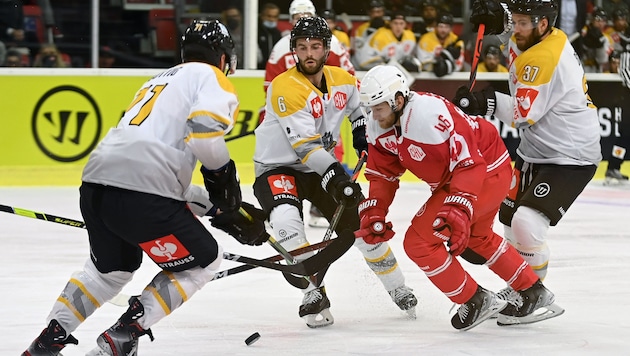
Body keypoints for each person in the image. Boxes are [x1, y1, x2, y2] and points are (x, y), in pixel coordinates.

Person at [22, 19, 270, 356]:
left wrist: (221, 208)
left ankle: (48, 341)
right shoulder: (213, 77)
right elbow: (205, 137)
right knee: (205, 261)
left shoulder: (157, 81)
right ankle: (124, 335)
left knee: (108, 272)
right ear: (224, 58)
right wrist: (225, 188)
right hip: (143, 193)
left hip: (96, 184)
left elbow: (164, 179)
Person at [356, 64, 563, 330]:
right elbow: (383, 173)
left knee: (419, 243)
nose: (373, 116)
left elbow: (470, 163)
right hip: (470, 174)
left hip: (483, 171)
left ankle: (474, 300)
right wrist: (376, 210)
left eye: (378, 108)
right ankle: (533, 291)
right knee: (479, 237)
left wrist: (460, 204)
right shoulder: (380, 123)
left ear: (398, 100)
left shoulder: (428, 115)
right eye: (370, 109)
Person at [253, 17, 417, 328]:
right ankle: (313, 294)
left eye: (315, 47)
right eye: (302, 48)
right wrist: (337, 176)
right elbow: (305, 148)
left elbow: (359, 106)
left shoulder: (342, 78)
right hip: (277, 169)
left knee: (365, 226)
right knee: (288, 223)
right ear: (294, 51)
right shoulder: (284, 86)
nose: (308, 54)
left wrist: (359, 132)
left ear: (327, 49)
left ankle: (398, 287)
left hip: (318, 169)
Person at [453, 0, 601, 307]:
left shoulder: (544, 58)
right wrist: (499, 15)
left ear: (542, 25)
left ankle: (533, 293)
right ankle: (524, 283)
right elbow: (516, 31)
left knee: (527, 224)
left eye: (523, 24)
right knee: (509, 221)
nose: (515, 30)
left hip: (569, 155)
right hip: (536, 149)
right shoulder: (539, 36)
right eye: (514, 22)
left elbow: (522, 115)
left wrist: (483, 101)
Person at [263, 0, 355, 228]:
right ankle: (287, 205)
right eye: (297, 15)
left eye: (306, 15)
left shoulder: (331, 44)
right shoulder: (281, 46)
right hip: (292, 108)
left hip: (323, 109)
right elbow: (269, 82)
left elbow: (348, 78)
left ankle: (321, 199)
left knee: (331, 148)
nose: (301, 19)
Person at [354, 11, 420, 71]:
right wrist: (386, 64)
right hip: (361, 69)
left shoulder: (410, 37)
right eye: (395, 23)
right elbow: (364, 61)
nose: (398, 27)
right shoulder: (380, 36)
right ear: (390, 24)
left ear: (405, 25)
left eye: (401, 23)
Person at [605, 50, 630, 183]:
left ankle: (613, 167)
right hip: (628, 98)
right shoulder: (627, 52)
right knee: (624, 136)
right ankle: (613, 167)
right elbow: (625, 72)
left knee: (625, 138)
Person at [417, 11, 465, 76]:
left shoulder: (457, 41)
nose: (443, 30)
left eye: (446, 27)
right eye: (441, 26)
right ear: (435, 26)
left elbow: (459, 64)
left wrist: (446, 67)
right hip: (428, 76)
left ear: (451, 28)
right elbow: (424, 63)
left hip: (452, 76)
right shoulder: (425, 40)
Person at [581, 8, 614, 72]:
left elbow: (603, 60)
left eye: (603, 21)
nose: (600, 23)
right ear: (592, 20)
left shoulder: (607, 38)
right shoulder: (584, 31)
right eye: (598, 20)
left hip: (599, 69)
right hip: (583, 66)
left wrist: (600, 45)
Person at [257, 2, 282, 69]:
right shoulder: (255, 32)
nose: (271, 19)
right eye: (269, 16)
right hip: (258, 70)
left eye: (274, 17)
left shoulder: (278, 34)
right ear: (262, 16)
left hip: (274, 70)